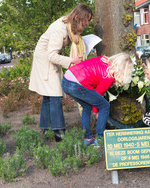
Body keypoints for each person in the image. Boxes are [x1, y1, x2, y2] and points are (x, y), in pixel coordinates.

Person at [29, 4, 93, 142]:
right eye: (84, 21)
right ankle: (59, 132)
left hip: (48, 56)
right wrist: (72, 60)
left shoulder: (69, 24)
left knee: (48, 95)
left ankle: (45, 129)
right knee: (55, 94)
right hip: (45, 60)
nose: (87, 24)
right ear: (77, 17)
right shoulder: (60, 30)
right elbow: (51, 55)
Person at [62, 53, 133, 146]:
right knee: (104, 106)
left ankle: (87, 139)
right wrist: (97, 112)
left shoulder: (103, 59)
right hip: (77, 84)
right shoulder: (109, 76)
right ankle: (99, 139)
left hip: (66, 80)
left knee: (87, 106)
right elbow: (99, 93)